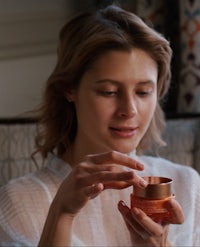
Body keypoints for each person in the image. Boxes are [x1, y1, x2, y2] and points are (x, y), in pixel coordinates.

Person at [0, 4, 200, 247]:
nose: (130, 110)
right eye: (109, 91)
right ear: (69, 88)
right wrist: (61, 214)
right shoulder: (20, 202)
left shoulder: (186, 185)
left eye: (143, 91)